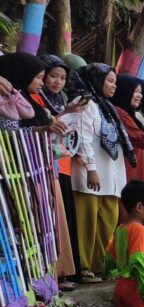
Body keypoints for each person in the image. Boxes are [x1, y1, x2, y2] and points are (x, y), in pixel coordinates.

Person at [30, 54, 87, 291]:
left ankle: (62, 271)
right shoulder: (33, 98)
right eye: (50, 76)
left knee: (58, 220)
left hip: (55, 163)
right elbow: (36, 125)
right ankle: (52, 274)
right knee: (47, 219)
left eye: (62, 77)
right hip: (37, 164)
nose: (56, 81)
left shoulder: (57, 100)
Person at [71, 63, 132, 283]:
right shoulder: (84, 103)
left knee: (108, 221)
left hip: (111, 176)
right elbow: (81, 138)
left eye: (115, 82)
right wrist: (90, 169)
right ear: (96, 80)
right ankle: (85, 267)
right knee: (87, 223)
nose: (113, 86)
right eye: (109, 81)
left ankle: (102, 265)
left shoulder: (106, 107)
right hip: (90, 174)